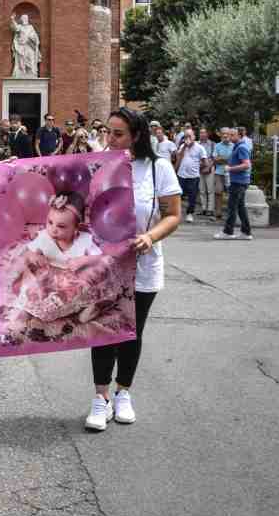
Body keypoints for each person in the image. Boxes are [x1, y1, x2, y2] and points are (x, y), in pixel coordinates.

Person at [85, 108, 182, 432]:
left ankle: (123, 392)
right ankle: (100, 398)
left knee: (131, 330)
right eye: (107, 132)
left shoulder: (159, 168)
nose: (109, 139)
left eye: (117, 134)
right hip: (105, 264)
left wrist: (150, 236)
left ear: (136, 136)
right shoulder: (98, 164)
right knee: (102, 329)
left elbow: (173, 214)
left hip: (143, 264)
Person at [214, 128, 254, 241]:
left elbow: (246, 165)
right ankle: (246, 232)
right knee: (241, 208)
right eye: (229, 135)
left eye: (232, 135)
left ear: (239, 136)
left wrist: (230, 168)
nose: (229, 137)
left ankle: (228, 232)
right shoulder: (238, 146)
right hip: (238, 181)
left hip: (239, 182)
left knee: (232, 207)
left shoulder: (241, 147)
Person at [173, 128, 206, 224]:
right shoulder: (183, 146)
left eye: (190, 136)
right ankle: (176, 214)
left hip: (193, 176)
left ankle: (189, 213)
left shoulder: (200, 148)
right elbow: (178, 158)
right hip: (181, 175)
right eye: (186, 136)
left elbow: (205, 162)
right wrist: (184, 147)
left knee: (192, 196)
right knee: (178, 195)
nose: (188, 138)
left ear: (194, 137)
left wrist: (198, 168)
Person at [212, 128, 234, 219]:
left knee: (231, 193)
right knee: (218, 192)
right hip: (219, 173)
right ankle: (218, 213)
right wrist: (226, 159)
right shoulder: (217, 145)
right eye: (223, 134)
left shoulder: (234, 146)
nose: (225, 136)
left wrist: (221, 158)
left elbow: (233, 160)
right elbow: (215, 159)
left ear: (230, 135)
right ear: (220, 135)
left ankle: (231, 213)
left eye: (227, 134)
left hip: (231, 173)